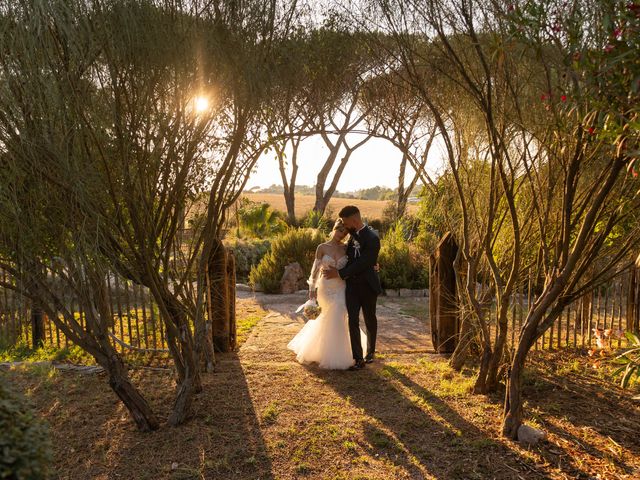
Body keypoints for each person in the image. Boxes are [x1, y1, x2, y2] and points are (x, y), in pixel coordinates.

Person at [287, 218, 367, 369]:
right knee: (326, 317)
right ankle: (323, 351)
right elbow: (315, 271)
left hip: (341, 287)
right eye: (339, 230)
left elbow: (355, 266)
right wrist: (312, 291)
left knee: (339, 313)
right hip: (325, 288)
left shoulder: (347, 249)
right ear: (334, 229)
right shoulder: (321, 247)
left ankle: (340, 354)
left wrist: (372, 265)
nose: (341, 234)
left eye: (345, 232)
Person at [322, 205, 382, 370]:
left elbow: (364, 262)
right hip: (351, 286)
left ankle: (370, 353)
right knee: (352, 320)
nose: (344, 224)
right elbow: (346, 256)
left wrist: (340, 273)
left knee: (370, 319)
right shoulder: (351, 237)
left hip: (368, 286)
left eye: (345, 221)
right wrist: (328, 264)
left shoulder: (372, 238)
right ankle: (358, 359)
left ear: (353, 220)